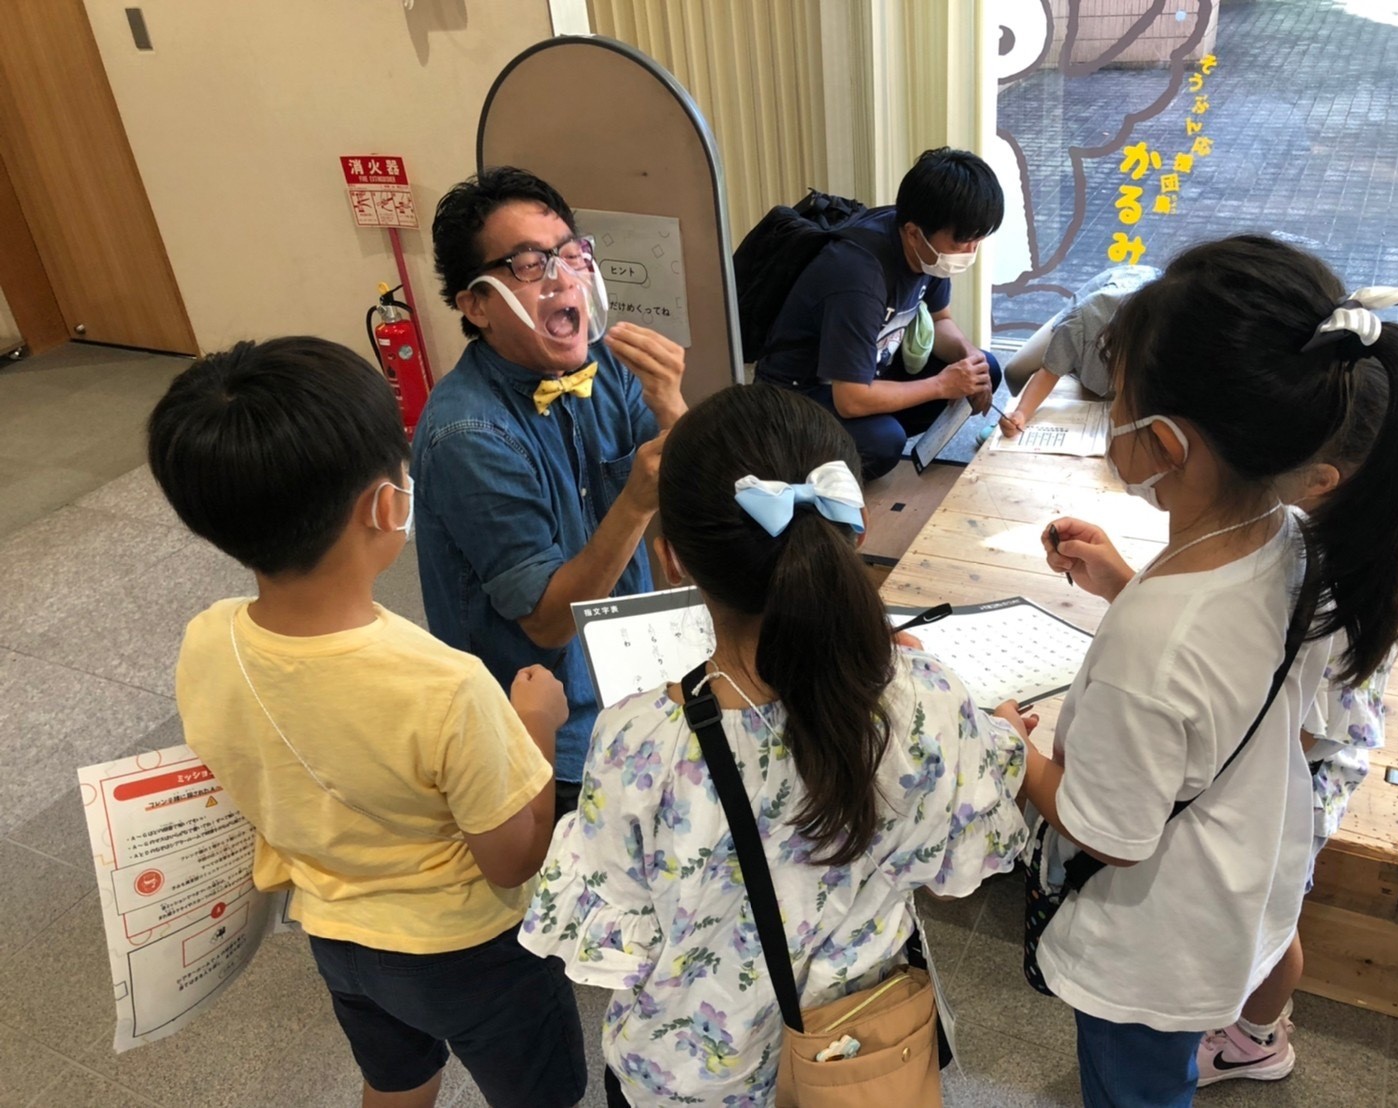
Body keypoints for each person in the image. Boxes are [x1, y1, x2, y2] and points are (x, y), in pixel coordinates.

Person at [520, 383, 1032, 1106]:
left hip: (690, 1084)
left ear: (673, 560)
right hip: (854, 1062)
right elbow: (958, 862)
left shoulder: (636, 742)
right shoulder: (926, 699)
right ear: (854, 531)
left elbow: (614, 943)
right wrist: (999, 726)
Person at [1024, 237, 1398, 1107]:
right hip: (1236, 884)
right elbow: (1229, 672)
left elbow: (1112, 832)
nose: (1108, 412)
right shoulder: (1294, 545)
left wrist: (1010, 749)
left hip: (1150, 946)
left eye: (1117, 395)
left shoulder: (1157, 640)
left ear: (1164, 442)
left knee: (1136, 1088)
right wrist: (1123, 582)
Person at [148, 338, 587, 1108]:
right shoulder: (446, 686)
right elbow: (513, 860)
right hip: (469, 954)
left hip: (335, 934)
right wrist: (537, 725)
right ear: (387, 506)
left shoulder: (207, 636)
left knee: (396, 1077)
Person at [1195, 362, 1398, 1086]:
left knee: (1269, 923)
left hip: (1298, 778)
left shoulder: (1337, 599)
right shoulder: (1340, 551)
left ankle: (1256, 1039)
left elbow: (1294, 735)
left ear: (1327, 483)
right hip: (1294, 757)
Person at [413, 168, 687, 818]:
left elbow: (687, 489)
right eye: (529, 264)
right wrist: (636, 500)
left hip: (637, 670)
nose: (564, 279)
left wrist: (675, 409)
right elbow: (548, 622)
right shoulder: (467, 434)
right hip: (546, 728)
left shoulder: (606, 364)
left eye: (570, 253)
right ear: (476, 305)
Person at [756, 147, 1005, 480]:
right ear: (914, 233)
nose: (970, 252)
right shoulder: (859, 277)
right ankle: (797, 455)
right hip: (799, 395)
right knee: (882, 442)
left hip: (868, 369)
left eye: (978, 241)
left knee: (984, 369)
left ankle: (879, 418)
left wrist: (968, 357)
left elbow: (941, 320)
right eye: (962, 243)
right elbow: (850, 399)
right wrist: (940, 385)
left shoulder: (926, 246)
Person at [996, 264, 1160, 438]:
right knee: (1016, 370)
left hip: (1144, 308)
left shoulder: (1166, 336)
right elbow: (1050, 372)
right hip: (1095, 308)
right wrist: (1021, 413)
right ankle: (1012, 420)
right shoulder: (1087, 315)